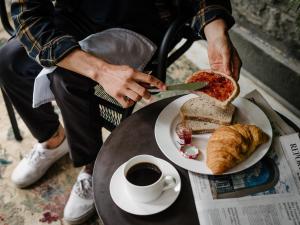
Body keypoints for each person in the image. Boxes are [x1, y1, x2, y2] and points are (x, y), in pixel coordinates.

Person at [0, 0, 241, 223]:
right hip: (76, 11)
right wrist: (101, 71)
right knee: (8, 60)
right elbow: (27, 15)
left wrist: (215, 29)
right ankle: (54, 139)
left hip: (140, 19)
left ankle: (92, 165)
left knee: (67, 78)